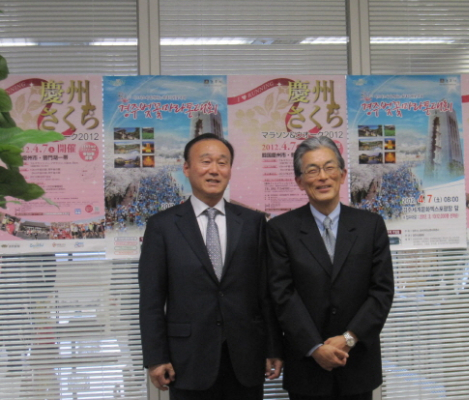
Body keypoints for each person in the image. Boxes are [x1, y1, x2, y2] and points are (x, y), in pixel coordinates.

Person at [139, 133, 283, 400]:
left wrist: (273, 347)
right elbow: (151, 299)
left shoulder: (253, 223)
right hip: (187, 359)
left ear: (230, 170)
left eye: (222, 162)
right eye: (206, 162)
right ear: (187, 168)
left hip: (246, 356)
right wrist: (156, 357)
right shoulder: (162, 226)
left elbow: (265, 292)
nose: (214, 170)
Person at [267, 136, 394, 400]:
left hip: (357, 362)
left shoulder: (370, 226)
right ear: (299, 181)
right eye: (312, 170)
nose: (323, 177)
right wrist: (315, 347)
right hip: (307, 366)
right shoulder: (280, 230)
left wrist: (349, 338)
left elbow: (382, 291)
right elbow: (282, 295)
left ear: (343, 174)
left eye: (329, 167)